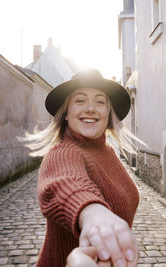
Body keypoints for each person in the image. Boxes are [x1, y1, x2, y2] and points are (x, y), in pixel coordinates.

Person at [21, 69, 144, 267]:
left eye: (100, 101)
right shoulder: (62, 153)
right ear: (66, 113)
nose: (90, 108)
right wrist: (92, 213)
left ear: (108, 112)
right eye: (80, 101)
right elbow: (64, 183)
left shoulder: (107, 151)